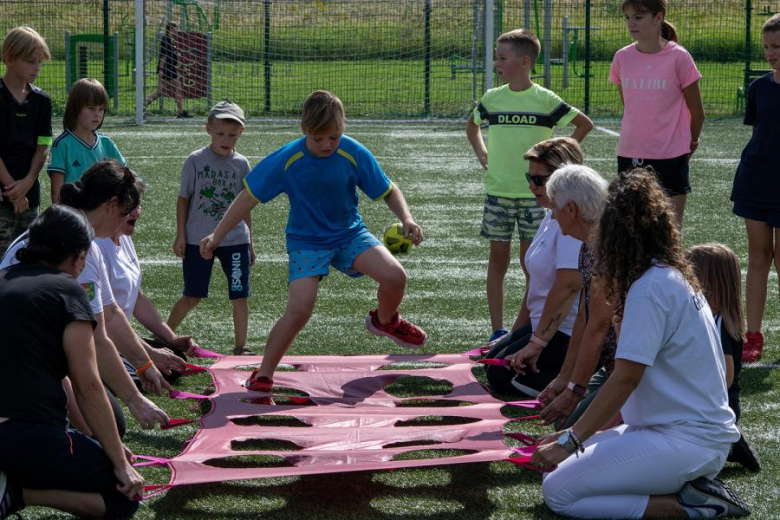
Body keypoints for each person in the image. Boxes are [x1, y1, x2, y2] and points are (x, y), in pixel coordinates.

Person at [532, 169, 748, 519]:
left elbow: (626, 378)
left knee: (558, 491)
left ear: (616, 233)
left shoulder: (651, 287)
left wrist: (571, 440)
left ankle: (690, 506)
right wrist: (572, 434)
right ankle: (686, 491)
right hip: (675, 433)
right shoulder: (665, 275)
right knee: (562, 470)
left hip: (684, 441)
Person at [200, 90, 426, 395]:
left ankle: (385, 321)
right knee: (300, 310)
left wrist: (407, 217)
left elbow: (387, 189)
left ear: (342, 128)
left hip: (349, 234)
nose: (327, 145)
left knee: (396, 276)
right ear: (304, 129)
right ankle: (264, 373)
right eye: (319, 138)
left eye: (333, 137)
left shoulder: (352, 151)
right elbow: (247, 198)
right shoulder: (288, 158)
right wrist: (218, 234)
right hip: (306, 241)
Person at [1, 160, 170, 434]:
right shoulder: (81, 251)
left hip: (30, 349)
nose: (126, 222)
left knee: (107, 420)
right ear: (111, 205)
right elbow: (98, 339)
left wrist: (144, 363)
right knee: (103, 429)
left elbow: (111, 312)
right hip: (21, 362)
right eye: (126, 213)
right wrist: (135, 401)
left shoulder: (77, 232)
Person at [0, 205, 142, 519]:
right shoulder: (67, 292)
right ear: (79, 256)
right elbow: (88, 387)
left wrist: (99, 443)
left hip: (16, 432)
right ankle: (17, 493)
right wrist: (118, 462)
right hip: (23, 435)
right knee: (125, 496)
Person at [467, 28, 593, 343]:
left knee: (531, 265)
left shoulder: (545, 99)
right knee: (497, 260)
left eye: (502, 57)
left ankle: (527, 328)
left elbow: (583, 124)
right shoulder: (492, 98)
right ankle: (498, 328)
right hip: (498, 192)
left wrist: (559, 159)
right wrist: (481, 150)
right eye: (497, 56)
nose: (496, 63)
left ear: (524, 61)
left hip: (535, 197)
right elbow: (472, 126)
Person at [484, 138, 584, 397]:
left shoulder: (573, 221)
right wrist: (515, 333)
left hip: (567, 330)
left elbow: (568, 286)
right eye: (530, 178)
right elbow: (535, 285)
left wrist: (536, 343)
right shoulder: (550, 214)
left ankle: (586, 379)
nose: (531, 186)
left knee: (501, 377)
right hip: (546, 324)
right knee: (492, 360)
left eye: (540, 180)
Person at [529, 164, 614, 430]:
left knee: (571, 432)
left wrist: (574, 391)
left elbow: (598, 327)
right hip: (617, 364)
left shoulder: (608, 250)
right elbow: (583, 317)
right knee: (565, 424)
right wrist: (564, 380)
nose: (551, 216)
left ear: (571, 209)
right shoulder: (588, 245)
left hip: (635, 369)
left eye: (554, 208)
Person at [168, 100, 255, 356]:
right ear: (208, 129)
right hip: (197, 239)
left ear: (242, 133)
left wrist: (250, 241)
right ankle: (164, 336)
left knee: (239, 295)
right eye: (220, 133)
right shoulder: (195, 160)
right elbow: (184, 198)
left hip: (236, 240)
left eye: (232, 134)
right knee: (192, 295)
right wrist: (181, 235)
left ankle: (241, 346)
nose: (226, 139)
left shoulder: (242, 164)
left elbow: (245, 204)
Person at [611, 0, 704, 229]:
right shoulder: (622, 58)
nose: (631, 23)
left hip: (671, 156)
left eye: (638, 17)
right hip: (630, 154)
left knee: (669, 233)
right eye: (628, 17)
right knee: (630, 232)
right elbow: (629, 106)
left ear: (658, 18)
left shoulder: (680, 57)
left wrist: (688, 143)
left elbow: (698, 112)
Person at [96, 190, 193, 382]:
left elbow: (137, 297)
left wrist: (170, 337)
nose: (136, 213)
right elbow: (108, 319)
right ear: (111, 208)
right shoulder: (96, 247)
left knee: (176, 361)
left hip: (118, 333)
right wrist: (149, 355)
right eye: (129, 208)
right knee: (159, 374)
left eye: (137, 206)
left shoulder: (124, 238)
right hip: (101, 338)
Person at [730, 13, 780, 363]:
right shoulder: (758, 88)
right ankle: (753, 335)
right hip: (755, 180)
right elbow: (758, 135)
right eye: (766, 46)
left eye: (776, 46)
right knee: (759, 257)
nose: (770, 53)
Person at [688, 243, 761, 473]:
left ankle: (732, 442)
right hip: (709, 402)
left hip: (719, 405)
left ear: (708, 283)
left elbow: (725, 378)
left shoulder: (719, 324)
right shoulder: (709, 318)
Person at [0, 26, 52, 256]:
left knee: (28, 260)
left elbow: (44, 144)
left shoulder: (41, 100)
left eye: (39, 62)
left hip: (29, 195)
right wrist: (13, 188)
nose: (37, 68)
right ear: (9, 58)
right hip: (5, 195)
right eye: (31, 61)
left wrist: (28, 182)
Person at [48, 78, 126, 204]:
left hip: (102, 215)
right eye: (91, 108)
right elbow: (56, 194)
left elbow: (125, 174)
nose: (97, 114)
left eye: (101, 109)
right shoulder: (62, 144)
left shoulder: (106, 143)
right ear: (75, 108)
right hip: (75, 215)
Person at [143, 21, 191, 118]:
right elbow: (163, 56)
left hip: (168, 68)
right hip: (168, 69)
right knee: (178, 90)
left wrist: (176, 55)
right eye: (175, 29)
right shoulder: (166, 40)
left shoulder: (170, 40)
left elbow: (168, 55)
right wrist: (161, 69)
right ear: (170, 30)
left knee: (160, 91)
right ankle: (180, 112)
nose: (177, 31)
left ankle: (142, 105)